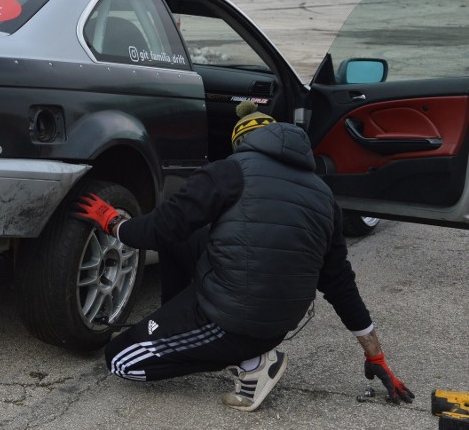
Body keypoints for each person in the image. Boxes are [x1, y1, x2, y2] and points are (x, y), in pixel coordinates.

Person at [75, 101, 414, 412]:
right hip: (278, 321)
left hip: (234, 323)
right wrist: (376, 355)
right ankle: (182, 323)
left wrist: (115, 224)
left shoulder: (229, 170)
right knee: (187, 237)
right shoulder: (324, 196)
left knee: (121, 360)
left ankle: (252, 364)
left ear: (242, 143)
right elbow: (339, 282)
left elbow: (159, 229)